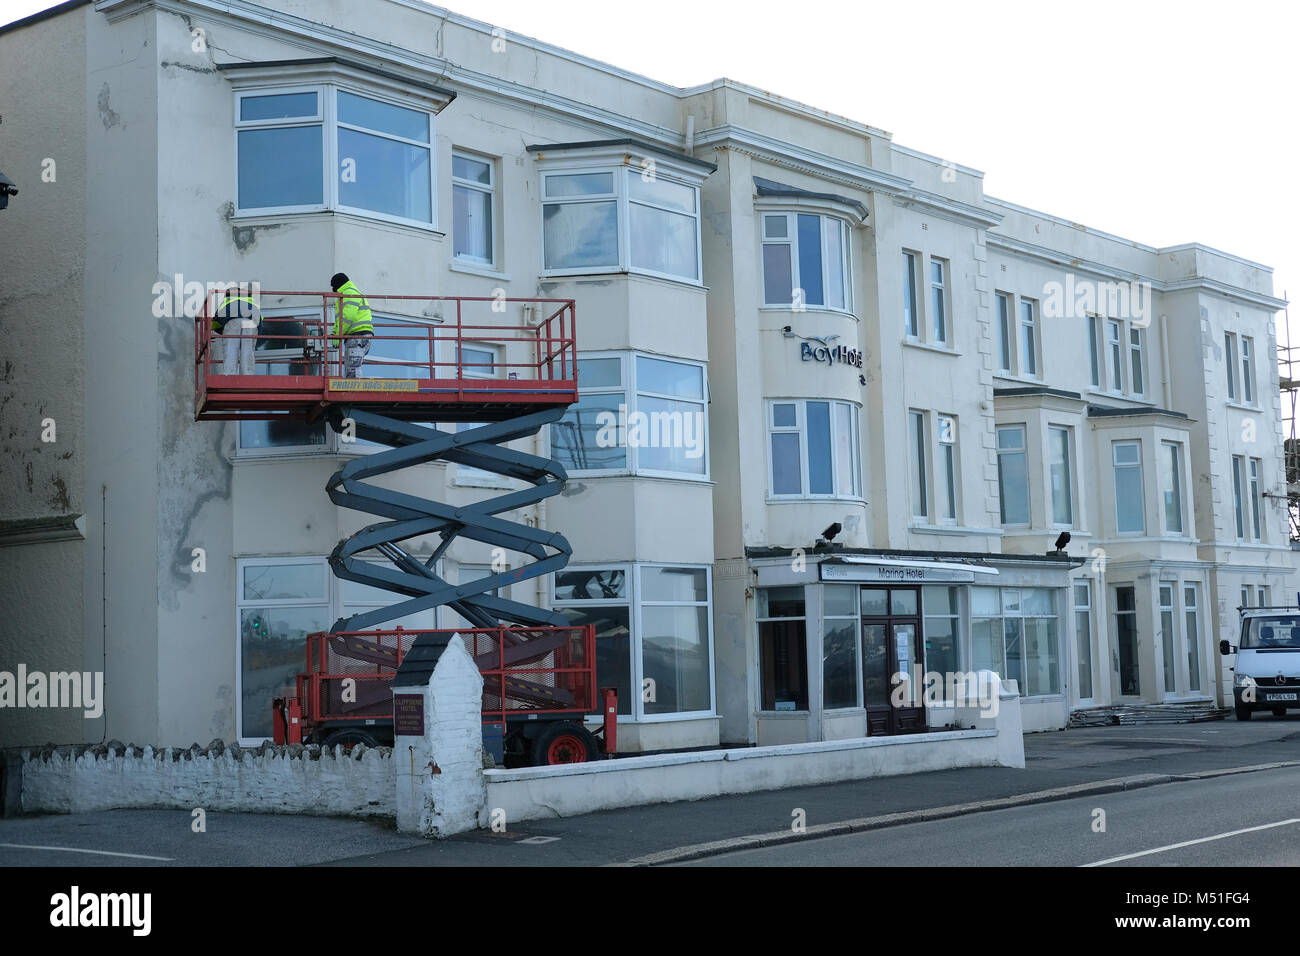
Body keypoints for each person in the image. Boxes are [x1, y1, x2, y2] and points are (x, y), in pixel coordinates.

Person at [330, 272, 373, 378]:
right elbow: (342, 318)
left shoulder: (349, 293)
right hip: (361, 335)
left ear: (337, 285)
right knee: (352, 367)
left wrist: (338, 334)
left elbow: (347, 317)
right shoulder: (350, 292)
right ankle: (354, 391)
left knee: (353, 369)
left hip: (357, 335)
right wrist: (335, 332)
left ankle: (355, 393)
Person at [212, 287, 262, 375]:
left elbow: (215, 322)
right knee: (247, 350)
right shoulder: (252, 302)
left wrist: (211, 330)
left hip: (233, 320)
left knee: (231, 349)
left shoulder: (227, 301)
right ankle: (247, 375)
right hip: (252, 321)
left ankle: (230, 375)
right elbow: (260, 324)